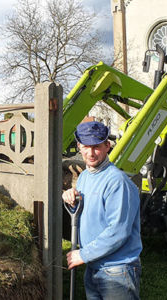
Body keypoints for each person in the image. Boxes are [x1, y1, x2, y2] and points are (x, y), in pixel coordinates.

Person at [62, 121, 142, 300]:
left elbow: (118, 231)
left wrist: (83, 254)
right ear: (78, 147)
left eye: (96, 147)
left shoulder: (117, 182)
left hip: (117, 269)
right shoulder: (84, 177)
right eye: (86, 147)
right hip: (94, 265)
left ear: (107, 146)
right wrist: (72, 198)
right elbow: (91, 212)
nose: (90, 153)